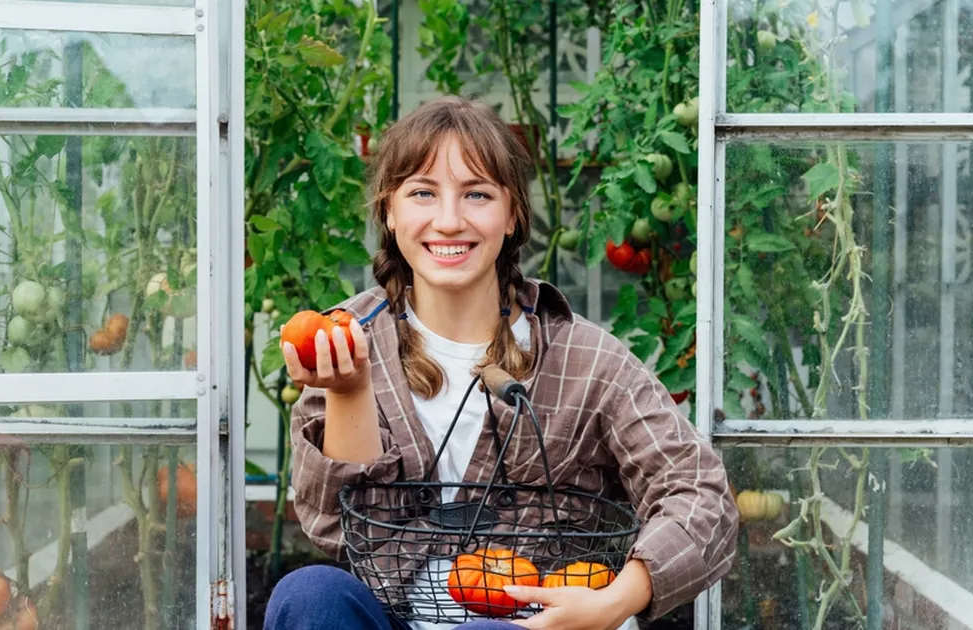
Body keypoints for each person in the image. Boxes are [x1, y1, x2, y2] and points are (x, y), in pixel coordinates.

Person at [264, 96, 739, 630]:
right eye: (423, 192)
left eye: (477, 194)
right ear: (389, 210)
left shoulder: (587, 361)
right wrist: (350, 391)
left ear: (512, 214)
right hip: (400, 616)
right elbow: (338, 529)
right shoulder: (347, 341)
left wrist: (614, 601)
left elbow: (702, 496)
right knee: (310, 594)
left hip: (540, 625)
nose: (449, 220)